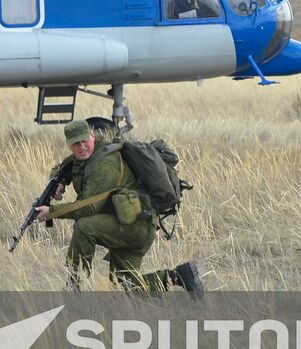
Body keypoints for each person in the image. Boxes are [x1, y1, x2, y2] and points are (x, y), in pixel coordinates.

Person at [36, 119, 204, 296]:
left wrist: (51, 213)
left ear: (92, 135)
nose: (81, 147)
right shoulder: (86, 155)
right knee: (126, 288)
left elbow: (88, 208)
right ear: (69, 145)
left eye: (84, 141)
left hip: (136, 226)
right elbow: (64, 167)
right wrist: (59, 181)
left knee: (84, 227)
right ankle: (178, 276)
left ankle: (74, 285)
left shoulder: (105, 164)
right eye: (75, 144)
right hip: (126, 221)